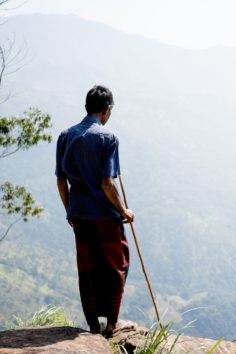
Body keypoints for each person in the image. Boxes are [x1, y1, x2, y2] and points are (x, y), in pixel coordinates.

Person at [55, 85, 135, 336]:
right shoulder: (108, 138)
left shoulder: (65, 135)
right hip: (104, 216)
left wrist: (70, 209)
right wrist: (124, 211)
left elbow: (60, 180)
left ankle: (92, 324)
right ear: (107, 109)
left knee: (87, 267)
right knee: (116, 265)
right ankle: (111, 324)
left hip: (79, 214)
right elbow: (107, 183)